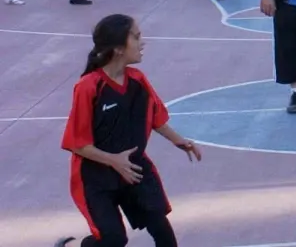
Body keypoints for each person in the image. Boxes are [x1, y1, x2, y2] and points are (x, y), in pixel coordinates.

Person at [55, 14, 201, 247]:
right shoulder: (88, 86)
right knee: (114, 239)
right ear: (118, 47)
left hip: (133, 169)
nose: (142, 43)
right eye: (137, 36)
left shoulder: (137, 80)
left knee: (163, 233)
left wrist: (180, 141)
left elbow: (155, 117)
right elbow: (77, 143)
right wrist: (113, 160)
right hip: (96, 177)